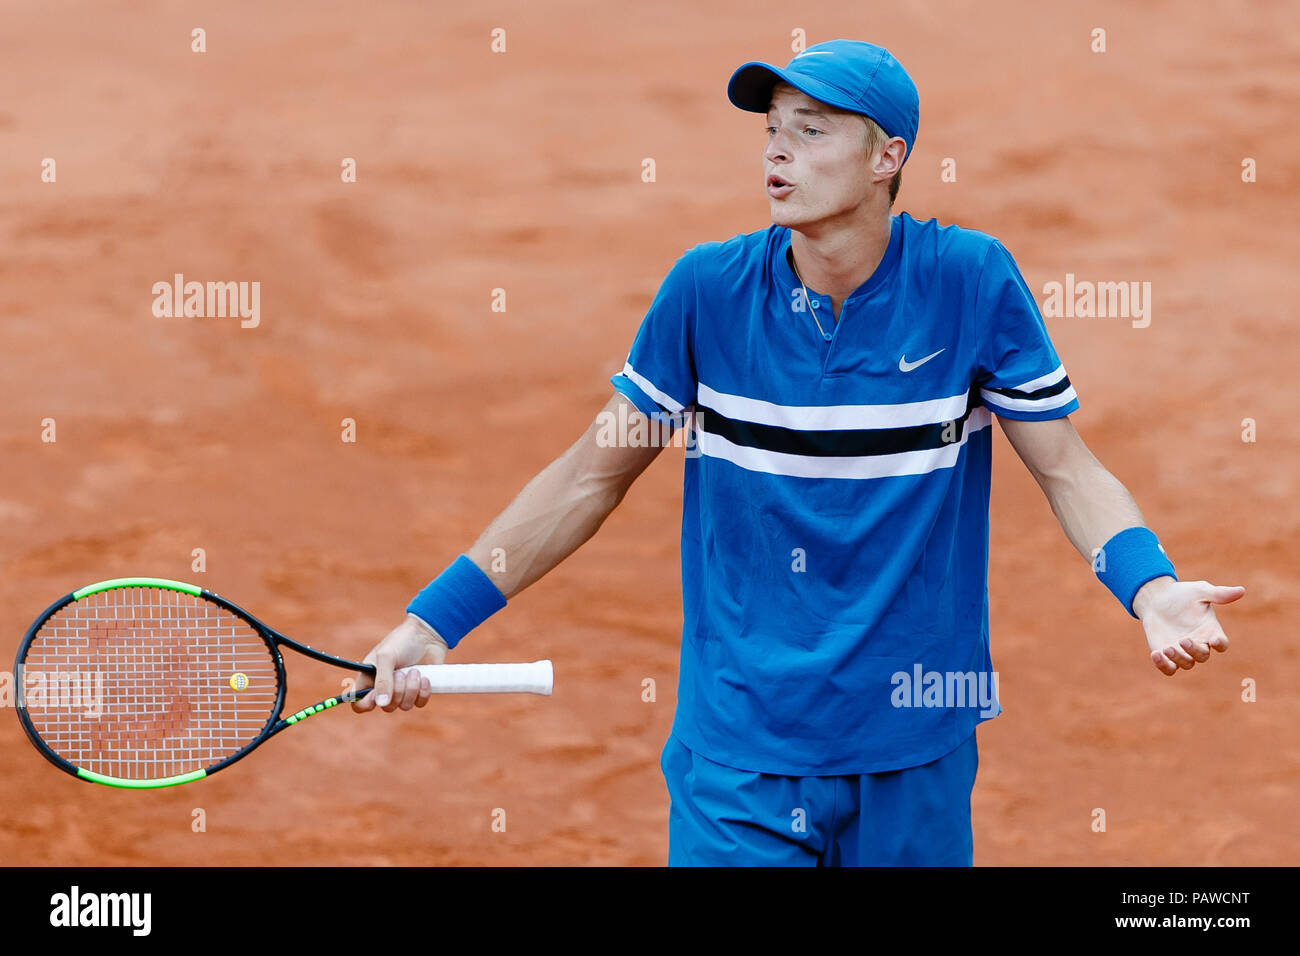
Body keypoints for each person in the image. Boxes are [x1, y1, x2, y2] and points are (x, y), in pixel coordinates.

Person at [353, 39, 1244, 866]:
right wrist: (432, 622)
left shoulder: (969, 282)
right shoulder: (706, 292)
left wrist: (1150, 585)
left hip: (914, 745)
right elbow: (591, 475)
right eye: (773, 132)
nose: (777, 153)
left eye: (811, 133)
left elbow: (1066, 466)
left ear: (887, 158)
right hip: (739, 758)